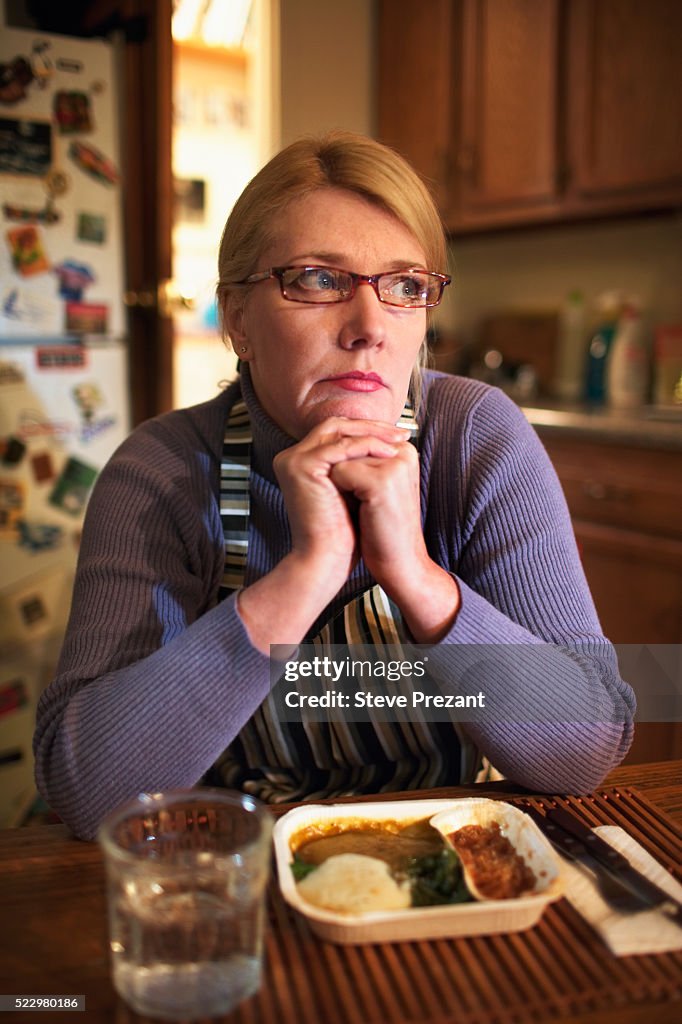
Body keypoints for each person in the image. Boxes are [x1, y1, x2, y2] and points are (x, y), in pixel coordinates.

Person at [33, 131, 635, 840]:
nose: (370, 328)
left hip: (447, 855)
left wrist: (414, 575)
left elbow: (586, 748)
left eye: (406, 286)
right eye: (317, 279)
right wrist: (306, 574)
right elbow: (86, 791)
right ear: (237, 318)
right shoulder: (162, 472)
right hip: (237, 857)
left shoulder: (474, 440)